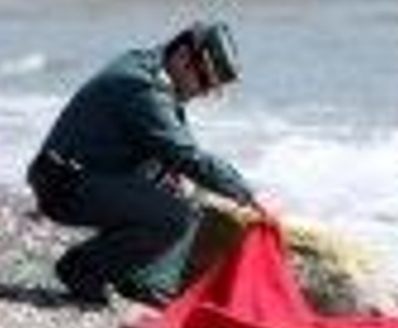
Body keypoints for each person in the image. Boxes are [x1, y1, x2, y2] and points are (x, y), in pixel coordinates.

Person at [28, 20, 263, 308]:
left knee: (182, 189)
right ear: (183, 57)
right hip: (65, 183)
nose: (203, 93)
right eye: (204, 80)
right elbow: (186, 155)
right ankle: (82, 270)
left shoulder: (148, 67)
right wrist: (246, 193)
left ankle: (140, 280)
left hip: (83, 174)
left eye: (211, 89)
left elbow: (171, 153)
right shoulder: (143, 88)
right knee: (175, 215)